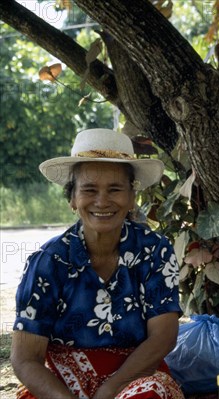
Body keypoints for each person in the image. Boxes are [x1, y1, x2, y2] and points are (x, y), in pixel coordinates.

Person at [11, 128, 185, 399]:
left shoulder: (154, 251)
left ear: (131, 197)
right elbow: (25, 359)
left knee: (152, 394)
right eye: (89, 189)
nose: (102, 201)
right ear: (72, 199)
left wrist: (109, 390)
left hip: (136, 378)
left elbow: (163, 336)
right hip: (62, 387)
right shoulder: (49, 262)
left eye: (115, 189)